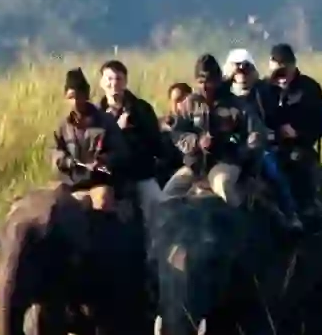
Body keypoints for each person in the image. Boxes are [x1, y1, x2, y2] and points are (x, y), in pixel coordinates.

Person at [224, 47, 303, 231]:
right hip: (227, 149)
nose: (242, 73)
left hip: (259, 147)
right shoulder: (223, 95)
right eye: (238, 69)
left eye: (246, 68)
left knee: (274, 172)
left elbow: (272, 117)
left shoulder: (262, 92)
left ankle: (290, 213)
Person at [167, 54, 257, 206]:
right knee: (168, 194)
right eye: (201, 81)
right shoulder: (189, 104)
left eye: (208, 81)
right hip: (196, 165)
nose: (204, 86)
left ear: (217, 80)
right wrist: (196, 142)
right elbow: (177, 133)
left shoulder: (235, 105)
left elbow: (254, 135)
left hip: (225, 162)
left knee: (223, 186)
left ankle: (239, 221)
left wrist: (240, 154)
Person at [98, 59, 173, 204]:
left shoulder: (141, 109)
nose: (114, 84)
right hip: (109, 177)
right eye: (109, 79)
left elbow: (154, 144)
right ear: (101, 82)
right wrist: (117, 130)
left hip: (140, 175)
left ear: (125, 82)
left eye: (118, 79)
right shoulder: (96, 114)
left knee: (157, 205)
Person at [265, 43, 322, 208]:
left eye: (286, 69)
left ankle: (305, 208)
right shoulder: (263, 89)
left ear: (294, 65)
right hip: (266, 145)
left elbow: (321, 124)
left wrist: (298, 133)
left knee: (297, 162)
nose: (282, 76)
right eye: (277, 71)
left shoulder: (309, 89)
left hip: (298, 147)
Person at [53, 67, 128, 203]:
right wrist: (70, 162)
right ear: (65, 98)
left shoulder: (106, 121)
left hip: (100, 181)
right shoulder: (63, 126)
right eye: (71, 97)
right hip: (72, 183)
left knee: (102, 200)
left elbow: (120, 151)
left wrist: (103, 160)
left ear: (87, 96)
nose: (75, 102)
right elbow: (56, 153)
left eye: (79, 96)